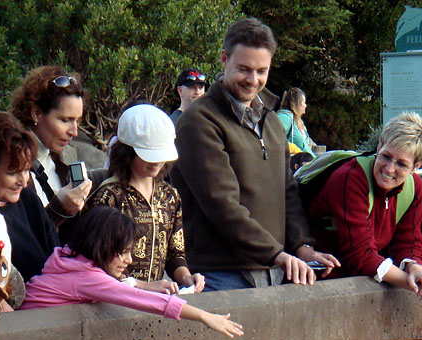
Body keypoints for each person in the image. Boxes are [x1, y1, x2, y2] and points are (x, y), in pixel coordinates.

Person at [170, 17, 339, 291]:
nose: (253, 80)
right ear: (224, 59)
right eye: (244, 69)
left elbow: (288, 192)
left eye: (262, 71)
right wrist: (277, 254)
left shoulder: (271, 122)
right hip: (220, 275)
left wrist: (303, 246)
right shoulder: (198, 122)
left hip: (275, 270)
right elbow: (222, 205)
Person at [305, 112, 422, 329]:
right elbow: (360, 255)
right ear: (379, 145)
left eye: (402, 164)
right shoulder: (350, 178)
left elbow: (409, 241)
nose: (389, 169)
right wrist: (420, 289)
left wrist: (416, 269)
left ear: (416, 166)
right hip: (320, 276)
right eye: (385, 156)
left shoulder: (414, 187)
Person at [21, 206, 243, 338]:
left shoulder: (67, 256)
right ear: (102, 247)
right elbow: (144, 302)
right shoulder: (88, 278)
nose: (128, 261)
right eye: (123, 252)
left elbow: (117, 288)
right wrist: (205, 316)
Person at [87, 104, 204, 293]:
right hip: (115, 299)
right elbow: (99, 262)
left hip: (156, 302)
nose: (156, 162)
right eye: (149, 156)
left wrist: (187, 278)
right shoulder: (108, 196)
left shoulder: (170, 196)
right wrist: (144, 286)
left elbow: (175, 254)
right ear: (127, 152)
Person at [10, 66, 93, 229]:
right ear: (36, 113)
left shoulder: (60, 157)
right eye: (65, 120)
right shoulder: (11, 164)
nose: (74, 132)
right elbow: (21, 238)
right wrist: (59, 208)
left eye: (78, 121)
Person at [0, 111, 58, 282]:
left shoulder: (27, 199)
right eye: (13, 173)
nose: (24, 181)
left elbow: (56, 256)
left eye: (27, 170)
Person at [277, 88, 315, 157]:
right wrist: (293, 149)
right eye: (304, 102)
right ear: (297, 103)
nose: (305, 105)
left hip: (309, 164)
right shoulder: (285, 117)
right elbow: (273, 138)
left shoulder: (299, 122)